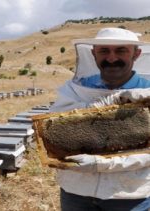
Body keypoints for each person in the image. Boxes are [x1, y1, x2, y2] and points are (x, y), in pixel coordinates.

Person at [50, 27, 150, 211]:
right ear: (93, 54)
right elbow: (54, 126)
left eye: (121, 50)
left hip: (128, 194)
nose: (111, 58)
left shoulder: (147, 92)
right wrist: (110, 101)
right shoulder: (74, 89)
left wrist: (101, 164)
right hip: (76, 190)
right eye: (104, 50)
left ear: (136, 54)